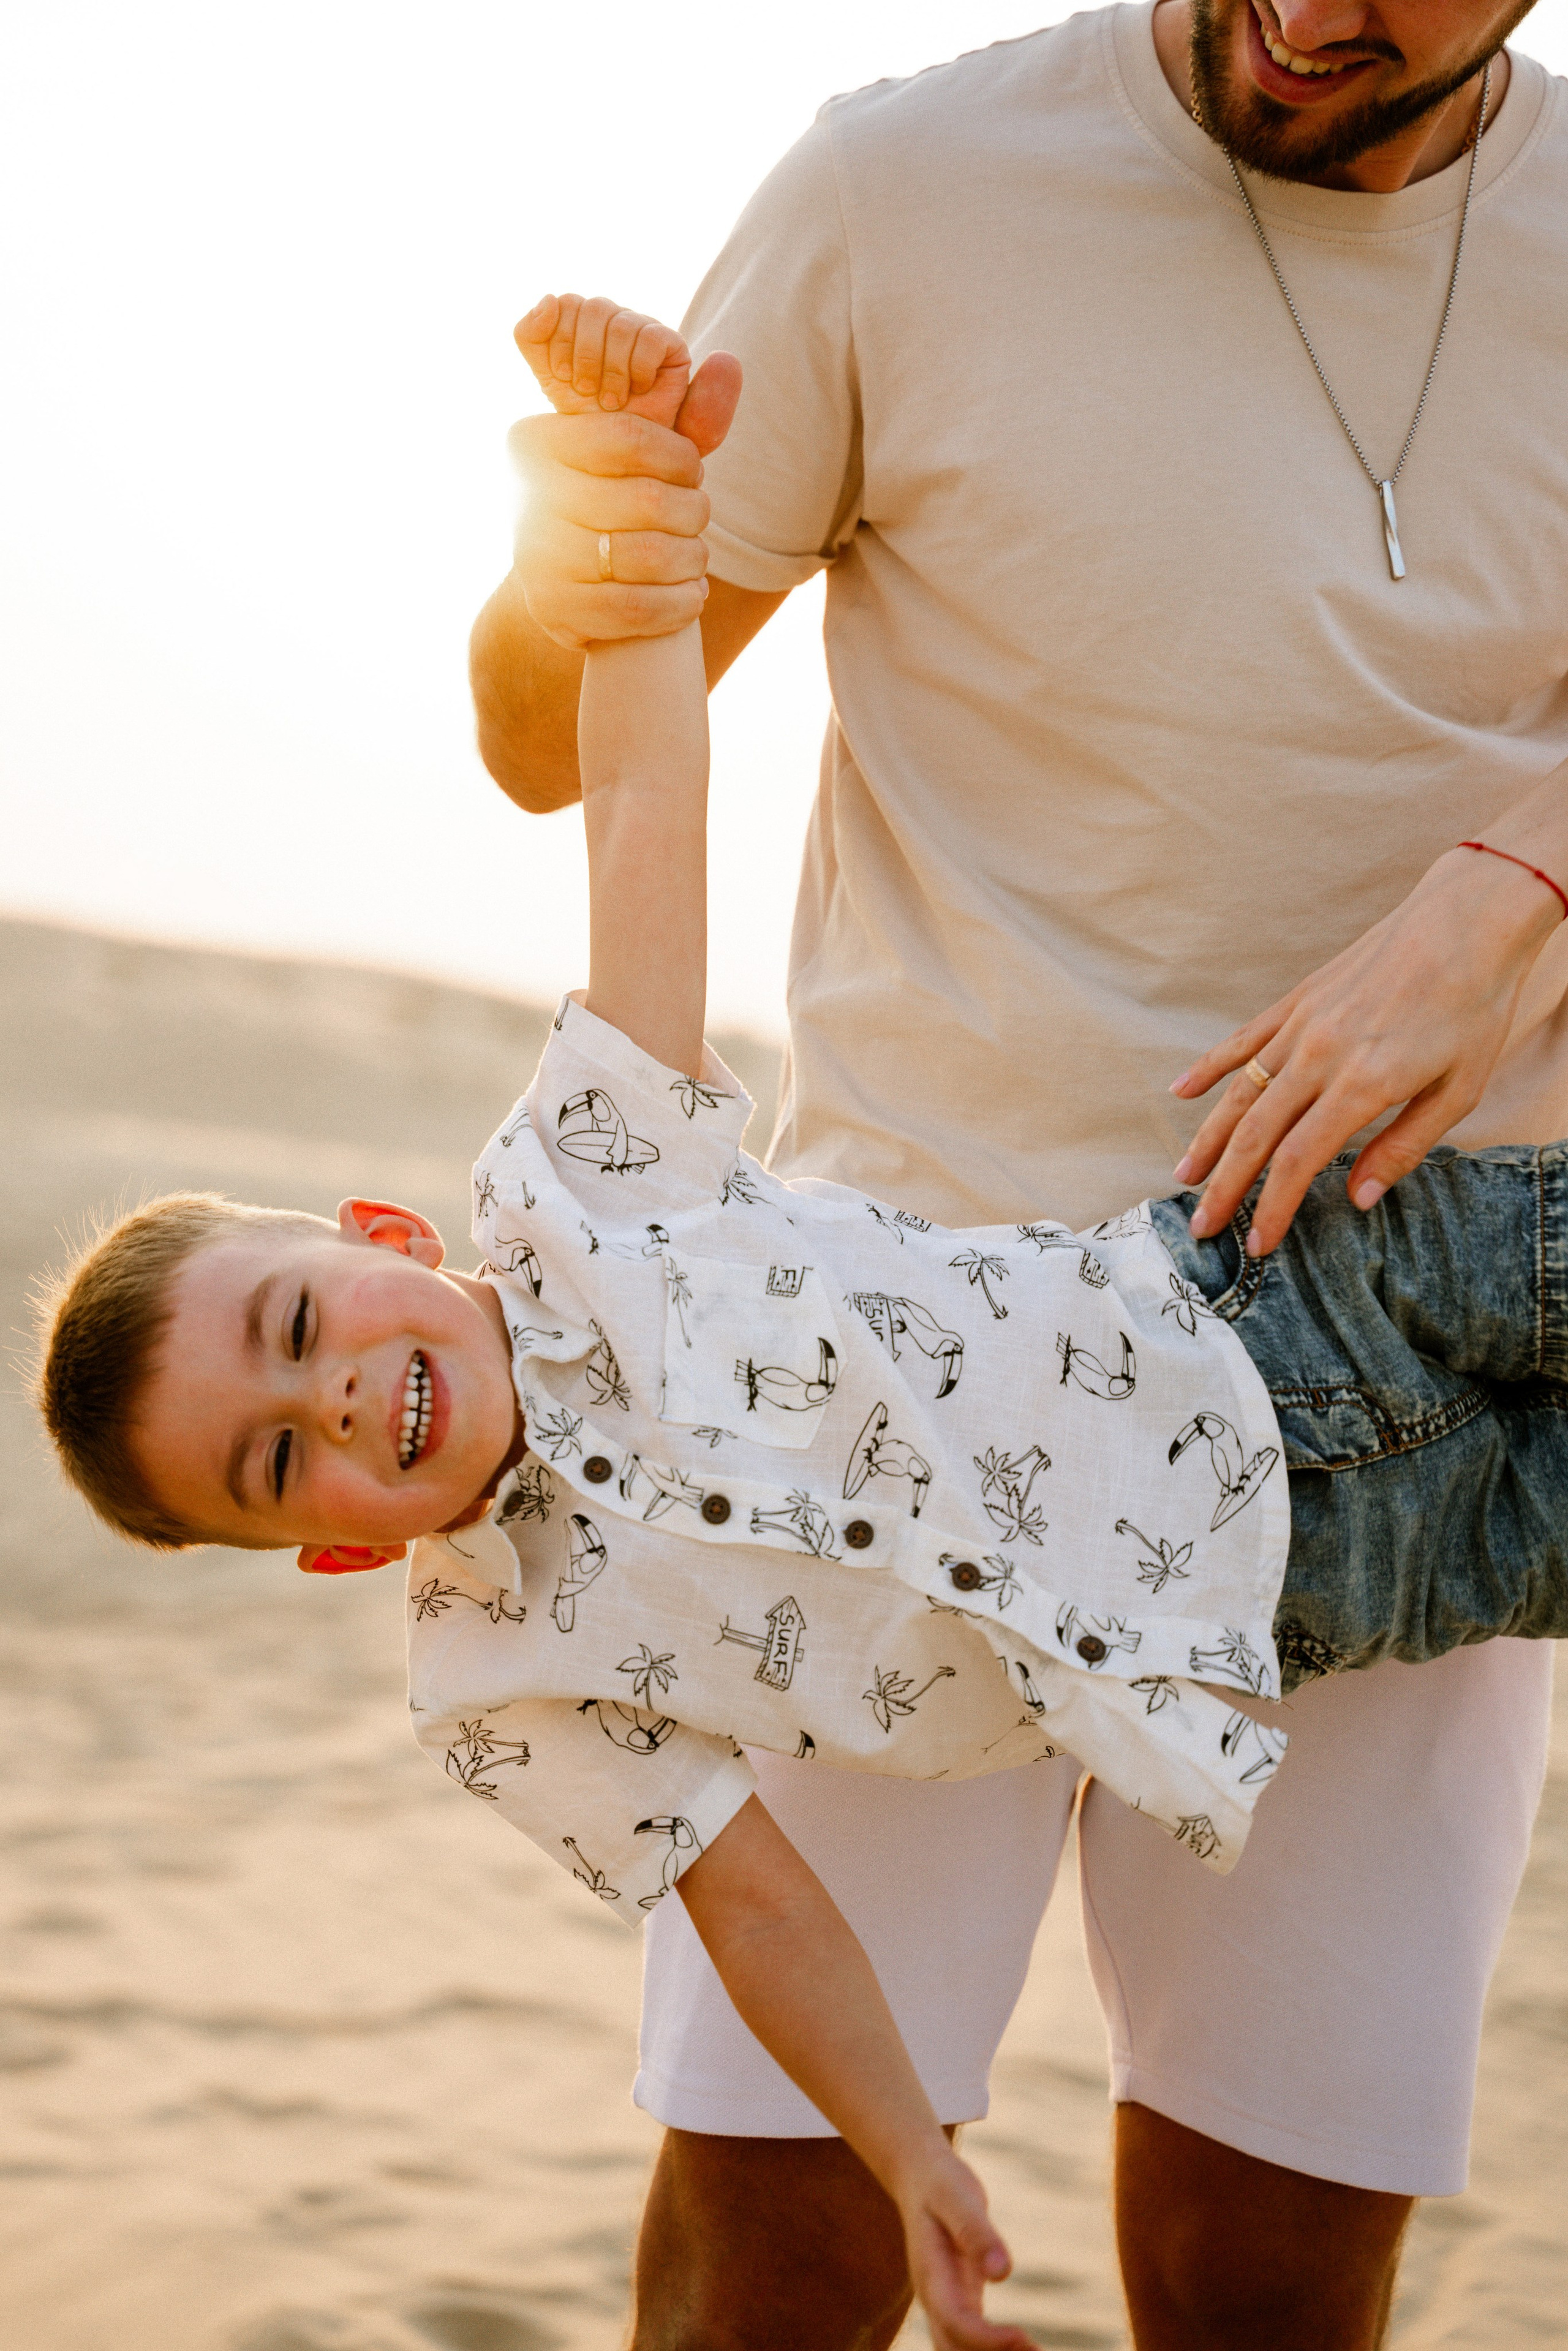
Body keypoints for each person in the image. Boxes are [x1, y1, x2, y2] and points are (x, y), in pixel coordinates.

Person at [29, 298, 1568, 2351]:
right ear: (323, 1546)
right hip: (1301, 1581)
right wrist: (903, 2152)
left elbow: (643, 808)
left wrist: (644, 542)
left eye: (302, 1325)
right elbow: (760, 1908)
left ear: (385, 1234)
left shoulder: (583, 1188)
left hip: (1275, 1271)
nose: (336, 1400)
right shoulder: (510, 1680)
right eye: (276, 1457)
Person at [466, 6, 1568, 2344]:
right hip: (880, 1417)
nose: (1322, 15)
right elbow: (553, 741)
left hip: (1394, 1407)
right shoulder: (904, 187)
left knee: (1275, 2279)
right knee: (774, 2261)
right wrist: (576, 554)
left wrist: (1522, 885)